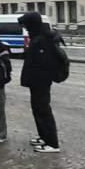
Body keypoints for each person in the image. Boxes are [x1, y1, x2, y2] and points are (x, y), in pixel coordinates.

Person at [18, 11, 69, 153]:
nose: (26, 28)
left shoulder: (42, 40)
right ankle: (44, 137)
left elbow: (44, 63)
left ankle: (52, 143)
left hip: (40, 81)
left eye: (27, 25)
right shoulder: (38, 37)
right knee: (37, 110)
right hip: (36, 81)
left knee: (43, 110)